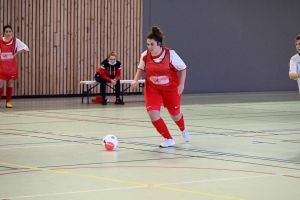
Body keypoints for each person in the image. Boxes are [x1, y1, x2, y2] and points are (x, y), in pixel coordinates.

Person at [131, 26, 190, 148]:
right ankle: (168, 139)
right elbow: (141, 68)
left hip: (171, 89)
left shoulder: (171, 54)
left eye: (152, 44)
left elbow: (183, 68)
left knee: (175, 114)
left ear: (159, 44)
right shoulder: (145, 55)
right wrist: (136, 80)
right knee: (152, 113)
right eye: (148, 44)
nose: (149, 47)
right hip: (153, 88)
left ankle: (183, 129)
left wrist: (181, 84)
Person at [0, 25, 29, 108]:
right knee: (0, 83)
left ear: (12, 32)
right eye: (7, 32)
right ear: (4, 32)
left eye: (10, 31)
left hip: (11, 66)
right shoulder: (1, 41)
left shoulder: (15, 41)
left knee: (10, 82)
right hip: (2, 65)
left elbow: (26, 48)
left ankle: (8, 102)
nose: (8, 33)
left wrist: (16, 53)